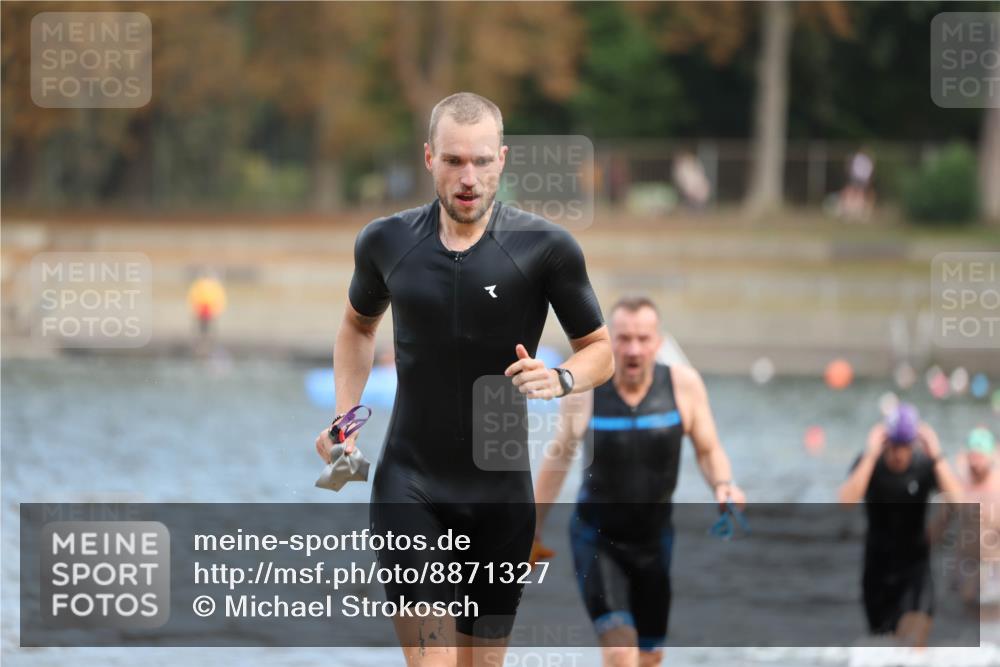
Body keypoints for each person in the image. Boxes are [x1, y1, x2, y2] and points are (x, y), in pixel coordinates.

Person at [313, 92, 613, 667]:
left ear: (501, 159)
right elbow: (355, 328)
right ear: (429, 158)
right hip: (411, 488)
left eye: (480, 161)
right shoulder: (387, 242)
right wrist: (344, 419)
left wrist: (562, 377)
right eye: (453, 161)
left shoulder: (546, 248)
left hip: (500, 498)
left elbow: (598, 348)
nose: (468, 177)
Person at [533, 296, 746, 667]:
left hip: (655, 543)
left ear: (658, 341)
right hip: (597, 540)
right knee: (620, 652)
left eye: (643, 339)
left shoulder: (683, 385)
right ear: (609, 341)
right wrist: (530, 529)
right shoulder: (586, 390)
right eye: (624, 338)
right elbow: (558, 458)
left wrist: (723, 485)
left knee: (649, 657)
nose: (633, 349)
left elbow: (708, 450)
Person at [838, 403, 963, 648]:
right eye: (893, 444)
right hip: (877, 571)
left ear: (914, 443)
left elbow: (960, 503)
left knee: (913, 645)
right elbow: (845, 502)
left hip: (915, 571)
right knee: (886, 649)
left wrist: (936, 452)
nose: (898, 453)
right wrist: (870, 454)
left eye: (905, 445)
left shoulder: (925, 465)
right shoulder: (869, 465)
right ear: (885, 441)